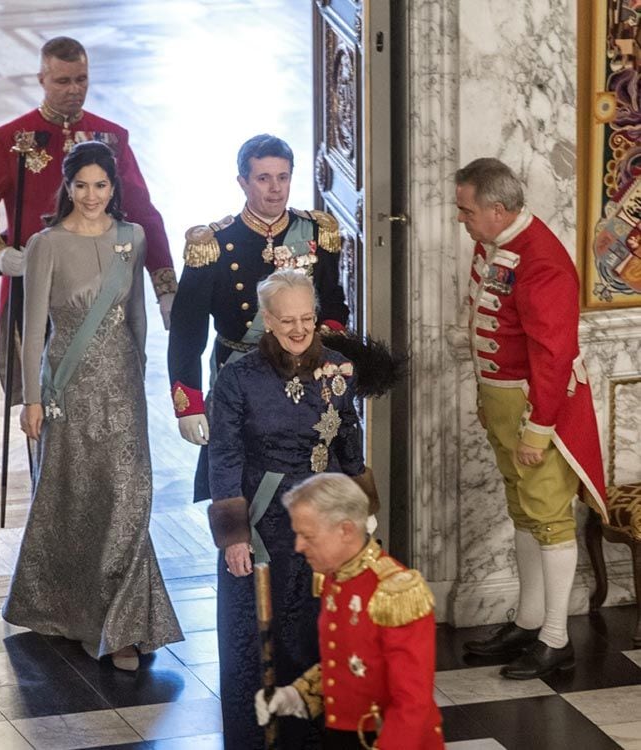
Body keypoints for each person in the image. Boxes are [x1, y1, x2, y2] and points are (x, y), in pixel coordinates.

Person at [2, 141, 182, 671]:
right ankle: (71, 614)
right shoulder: (46, 244)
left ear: (114, 188)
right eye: (81, 185)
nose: (91, 195)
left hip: (123, 390)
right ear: (67, 187)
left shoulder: (134, 237)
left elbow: (137, 320)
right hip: (68, 390)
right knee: (74, 499)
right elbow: (34, 330)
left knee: (129, 495)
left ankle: (121, 624)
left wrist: (140, 378)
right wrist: (32, 400)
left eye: (101, 185)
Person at [206, 269, 377, 750]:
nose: (300, 330)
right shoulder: (238, 377)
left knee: (324, 631)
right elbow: (225, 455)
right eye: (287, 321)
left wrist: (363, 521)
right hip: (266, 524)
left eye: (307, 318)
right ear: (267, 320)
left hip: (325, 518)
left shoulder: (339, 368)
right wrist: (234, 535)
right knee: (261, 638)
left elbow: (349, 444)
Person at [454, 158, 608, 679]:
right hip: (502, 399)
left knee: (549, 515)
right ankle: (528, 620)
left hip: (535, 406)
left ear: (497, 210)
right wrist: (486, 397)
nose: (462, 218)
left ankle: (556, 637)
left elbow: (553, 353)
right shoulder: (497, 242)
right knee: (523, 511)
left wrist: (539, 428)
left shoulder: (541, 261)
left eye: (467, 209)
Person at [0, 36, 177, 401]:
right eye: (63, 81)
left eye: (81, 80)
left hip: (103, 284)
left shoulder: (112, 138)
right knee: (41, 395)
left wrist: (165, 286)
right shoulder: (8, 141)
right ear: (41, 79)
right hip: (33, 287)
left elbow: (143, 214)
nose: (74, 90)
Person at [167, 133, 348, 499]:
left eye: (283, 177)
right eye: (263, 178)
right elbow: (187, 333)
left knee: (307, 486)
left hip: (303, 374)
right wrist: (188, 404)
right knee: (240, 486)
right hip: (239, 377)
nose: (275, 189)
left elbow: (333, 306)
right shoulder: (213, 244)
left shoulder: (315, 231)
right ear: (243, 182)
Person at [255, 473, 444, 750]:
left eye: (308, 536)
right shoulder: (336, 576)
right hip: (343, 734)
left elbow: (411, 702)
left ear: (345, 530)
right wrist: (296, 695)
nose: (298, 546)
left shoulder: (396, 592)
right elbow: (347, 661)